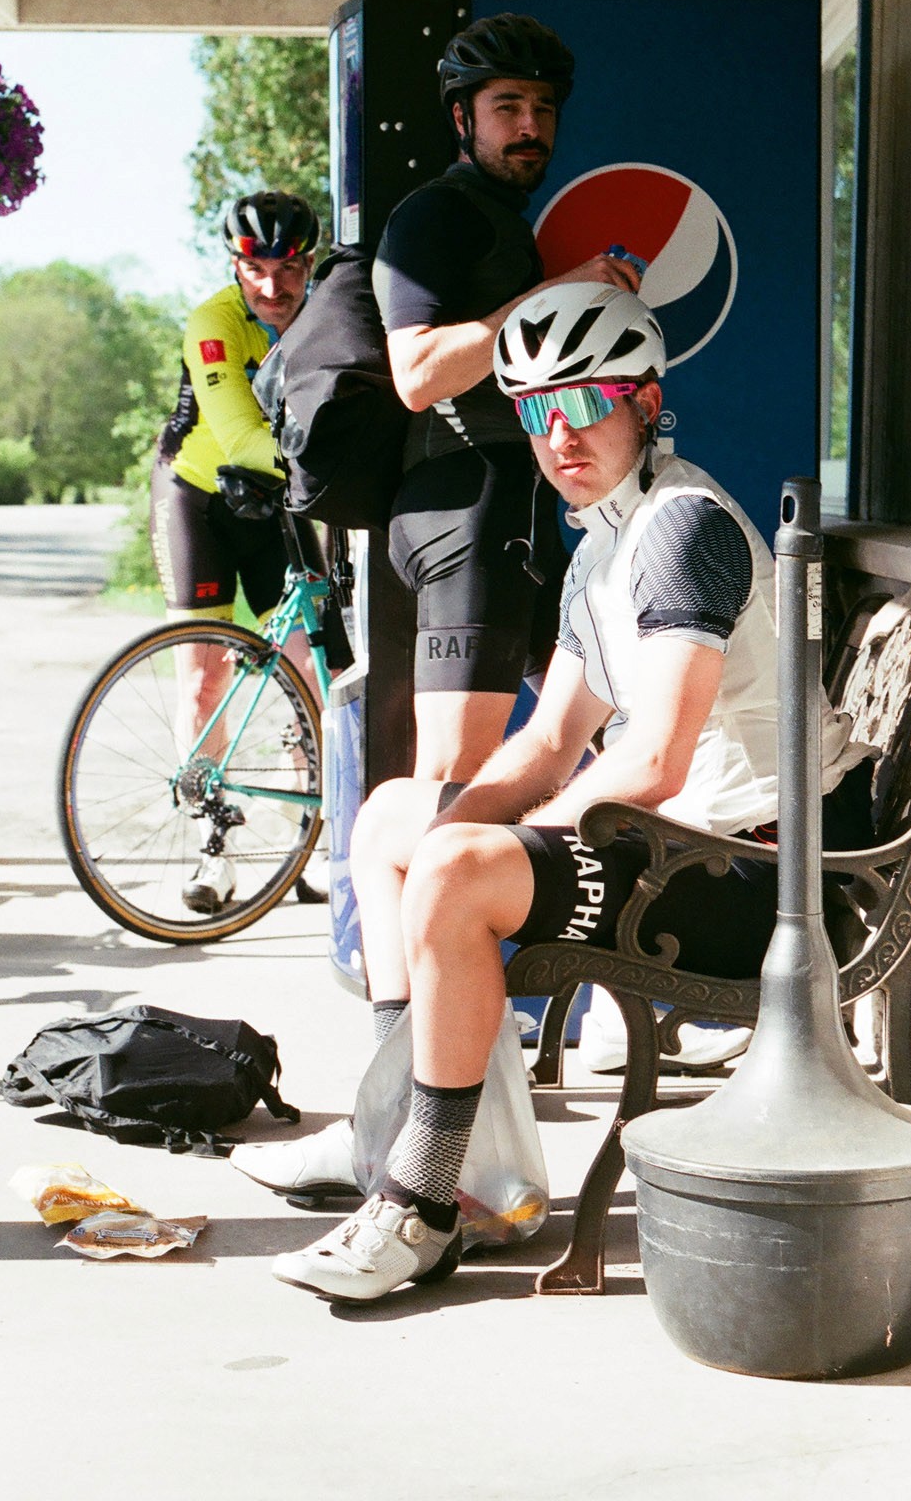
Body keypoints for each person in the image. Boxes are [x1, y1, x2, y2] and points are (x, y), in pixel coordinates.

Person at [235, 281, 872, 1302]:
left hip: (764, 875)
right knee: (393, 817)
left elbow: (656, 761)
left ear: (646, 404)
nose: (560, 433)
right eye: (535, 409)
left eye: (586, 401)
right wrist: (458, 823)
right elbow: (546, 741)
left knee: (456, 872)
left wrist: (484, 846)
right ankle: (404, 1136)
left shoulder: (682, 528)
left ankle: (421, 1205)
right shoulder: (602, 548)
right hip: (687, 849)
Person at [372, 12, 640, 784]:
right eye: (508, 107)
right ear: (462, 119)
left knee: (607, 740)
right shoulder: (435, 213)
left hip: (515, 517)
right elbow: (417, 375)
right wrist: (554, 293)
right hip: (470, 511)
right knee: (453, 777)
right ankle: (426, 870)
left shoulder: (498, 222)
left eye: (543, 109)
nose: (530, 127)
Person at [149, 188, 319, 911]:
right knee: (203, 681)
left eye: (289, 269)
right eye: (256, 270)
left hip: (275, 503)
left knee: (309, 669)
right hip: (199, 497)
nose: (273, 288)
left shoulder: (326, 312)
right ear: (234, 266)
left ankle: (303, 833)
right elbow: (242, 434)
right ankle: (211, 850)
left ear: (309, 265)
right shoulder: (213, 322)